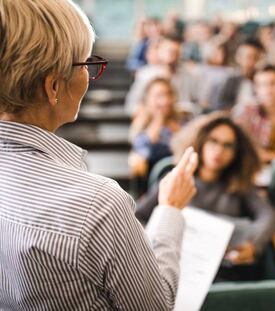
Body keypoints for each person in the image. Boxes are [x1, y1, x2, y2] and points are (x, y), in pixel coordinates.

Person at [0, 1, 198, 309]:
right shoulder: (97, 205)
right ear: (53, 87)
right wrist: (170, 209)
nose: (89, 76)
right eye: (85, 65)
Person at [136, 113, 275, 281]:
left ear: (236, 153)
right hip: (175, 266)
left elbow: (268, 216)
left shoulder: (239, 185)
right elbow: (137, 217)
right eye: (213, 141)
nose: (218, 150)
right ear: (201, 141)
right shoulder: (177, 179)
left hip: (222, 271)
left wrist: (254, 245)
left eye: (228, 145)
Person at [125, 35, 200, 116]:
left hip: (181, 121)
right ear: (159, 52)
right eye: (169, 51)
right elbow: (131, 106)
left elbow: (196, 103)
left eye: (176, 52)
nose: (173, 56)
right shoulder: (146, 75)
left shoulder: (187, 75)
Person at [128, 78, 182, 184]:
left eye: (168, 94)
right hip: (153, 182)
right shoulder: (141, 125)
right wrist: (158, 121)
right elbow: (140, 155)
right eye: (159, 96)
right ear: (148, 99)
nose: (165, 100)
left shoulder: (182, 122)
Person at [212, 38, 263, 111]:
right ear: (238, 57)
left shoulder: (262, 80)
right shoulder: (230, 80)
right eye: (246, 57)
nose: (249, 62)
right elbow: (221, 105)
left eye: (254, 57)